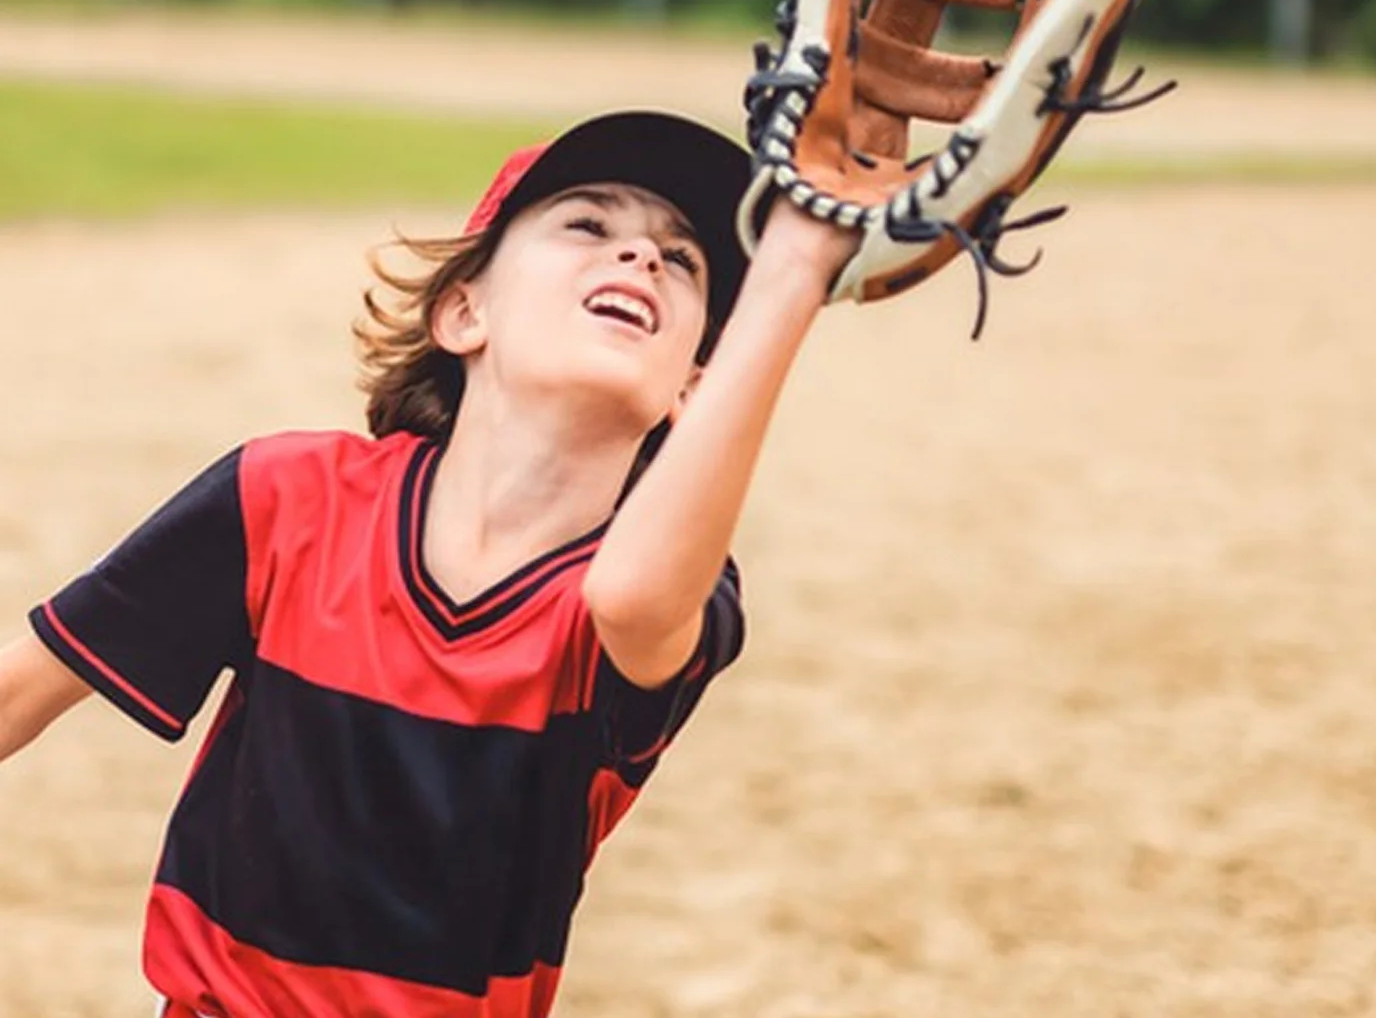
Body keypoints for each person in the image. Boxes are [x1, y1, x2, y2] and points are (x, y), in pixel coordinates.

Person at [0, 108, 857, 1018]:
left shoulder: (656, 593)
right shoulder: (287, 497)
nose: (642, 258)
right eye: (589, 225)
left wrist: (793, 274)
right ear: (463, 310)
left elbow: (632, 600)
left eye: (684, 261)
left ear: (694, 385)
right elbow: (16, 694)